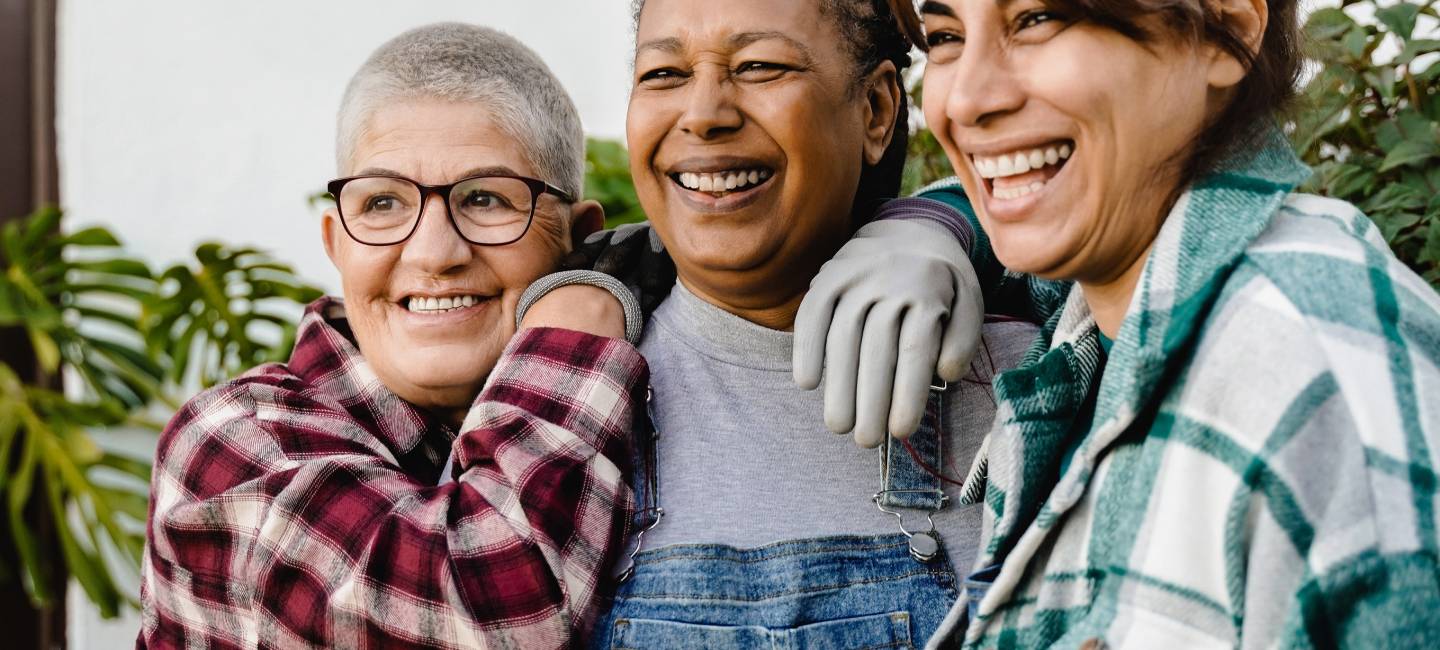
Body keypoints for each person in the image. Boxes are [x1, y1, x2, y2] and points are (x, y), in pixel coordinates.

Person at [140, 20, 991, 648]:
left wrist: (938, 217)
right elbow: (493, 608)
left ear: (575, 234)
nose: (432, 254)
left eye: (486, 199)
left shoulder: (596, 425)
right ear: (335, 242)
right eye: (383, 205)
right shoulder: (233, 443)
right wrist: (576, 313)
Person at [900, 0, 1440, 646]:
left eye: (1038, 18)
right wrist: (931, 223)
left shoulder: (1316, 374)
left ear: (1226, 29)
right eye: (945, 36)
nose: (966, 100)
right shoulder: (1089, 335)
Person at [578, 1, 1040, 647]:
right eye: (663, 74)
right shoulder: (552, 404)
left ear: (876, 110)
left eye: (759, 66)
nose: (704, 113)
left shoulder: (1035, 387)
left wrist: (942, 220)